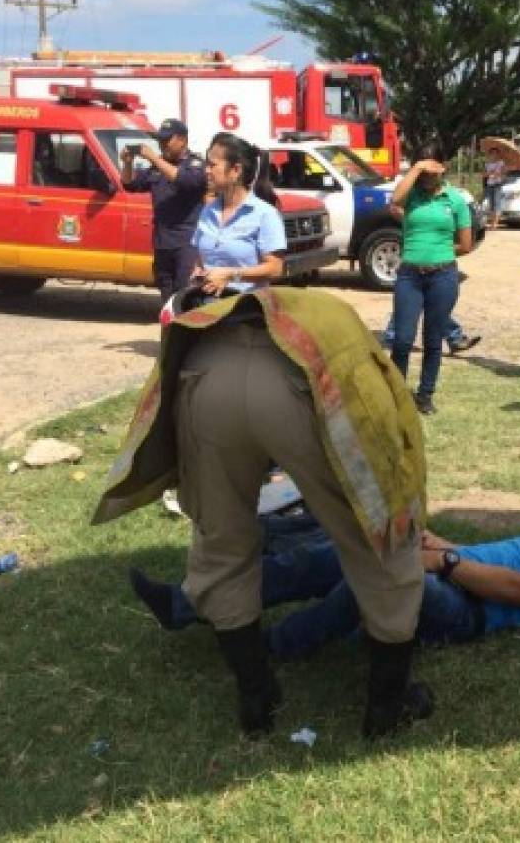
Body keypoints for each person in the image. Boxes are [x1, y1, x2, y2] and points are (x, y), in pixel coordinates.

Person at [101, 287, 434, 738]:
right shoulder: (339, 326)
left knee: (221, 544)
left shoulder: (233, 319)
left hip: (205, 374)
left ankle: (256, 697)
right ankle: (386, 709)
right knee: (380, 540)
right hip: (301, 382)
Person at [131, 522, 520, 659]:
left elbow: (511, 587)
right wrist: (443, 543)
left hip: (465, 610)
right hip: (453, 571)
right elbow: (498, 559)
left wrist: (441, 560)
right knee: (330, 554)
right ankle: (188, 604)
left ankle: (270, 647)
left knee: (372, 582)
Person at [389, 141, 474, 415]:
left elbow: (465, 244)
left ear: (443, 168)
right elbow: (395, 200)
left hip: (443, 277)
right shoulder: (410, 195)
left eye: (431, 171)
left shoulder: (456, 200)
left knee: (433, 340)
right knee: (402, 339)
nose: (426, 177)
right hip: (409, 276)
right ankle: (397, 393)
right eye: (422, 172)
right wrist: (415, 169)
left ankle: (425, 395)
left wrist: (437, 253)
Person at [189, 132, 286, 295]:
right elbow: (200, 260)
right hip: (206, 308)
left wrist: (231, 275)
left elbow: (275, 268)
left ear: (235, 170)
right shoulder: (208, 210)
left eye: (213, 165)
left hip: (244, 310)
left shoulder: (265, 215)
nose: (206, 171)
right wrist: (197, 273)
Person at [120, 118, 207, 300]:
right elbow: (130, 184)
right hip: (162, 244)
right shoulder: (157, 167)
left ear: (182, 140)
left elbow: (185, 181)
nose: (162, 145)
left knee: (186, 296)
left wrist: (153, 158)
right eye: (160, 141)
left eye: (167, 141)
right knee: (167, 298)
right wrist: (127, 163)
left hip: (186, 245)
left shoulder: (195, 165)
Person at [482, 147, 507, 229]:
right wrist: (489, 173)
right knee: (491, 204)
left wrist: (498, 175)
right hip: (489, 184)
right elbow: (484, 175)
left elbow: (504, 174)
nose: (494, 155)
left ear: (498, 154)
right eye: (492, 153)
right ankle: (492, 222)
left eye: (495, 153)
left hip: (497, 184)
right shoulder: (487, 164)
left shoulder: (501, 163)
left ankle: (495, 224)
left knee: (497, 204)